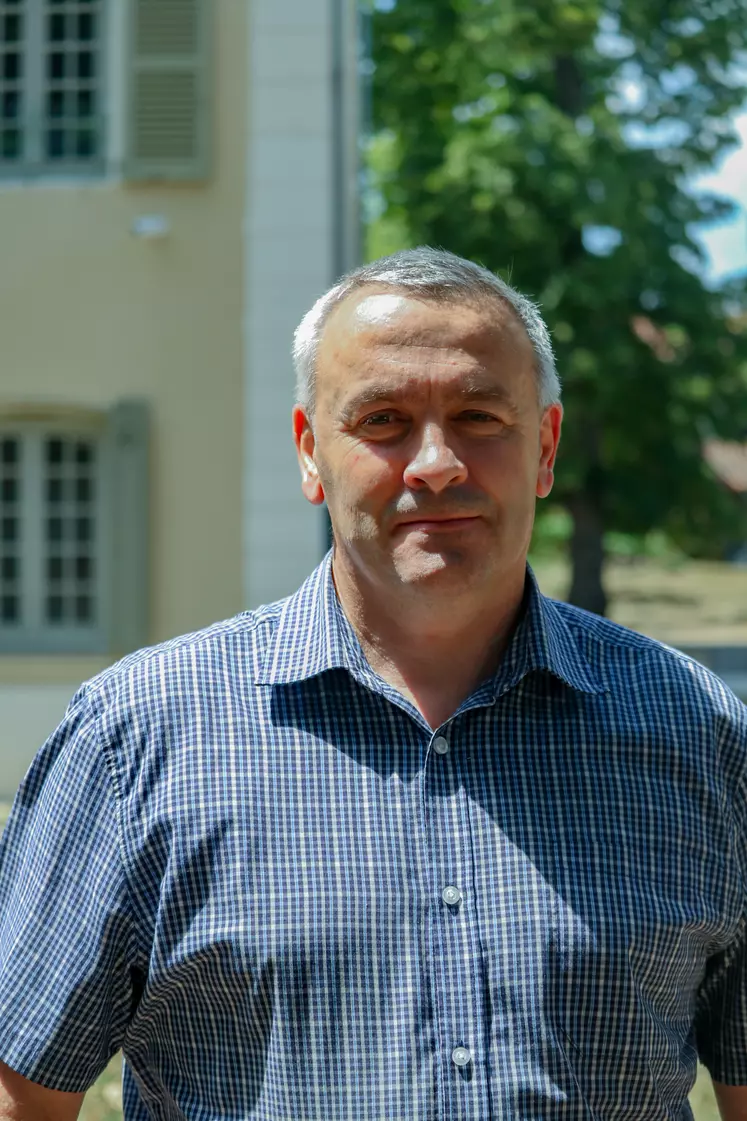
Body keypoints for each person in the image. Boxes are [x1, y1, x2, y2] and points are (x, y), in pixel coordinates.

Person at [1, 247, 746, 1121]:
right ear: (310, 452)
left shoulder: (696, 731)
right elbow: (23, 1098)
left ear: (543, 447)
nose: (435, 462)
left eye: (477, 415)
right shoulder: (135, 739)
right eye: (383, 420)